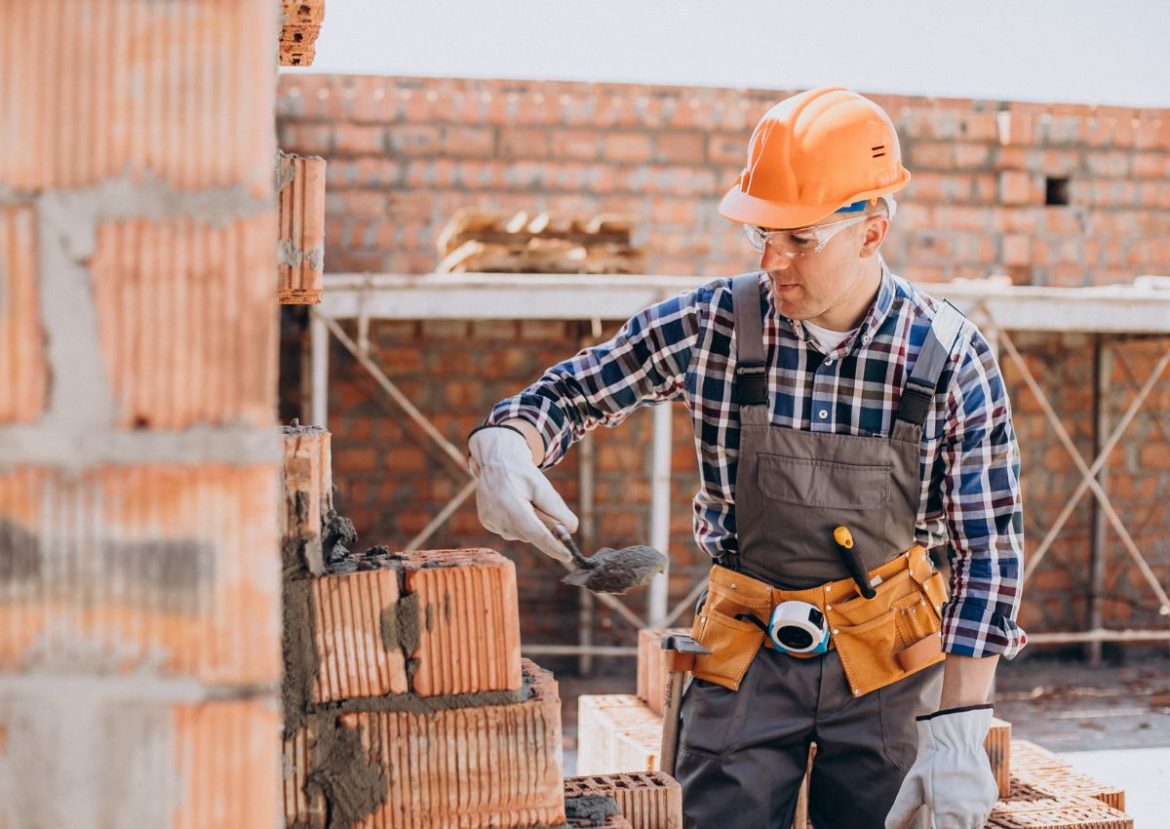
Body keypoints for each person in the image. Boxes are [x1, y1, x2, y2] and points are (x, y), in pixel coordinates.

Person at [468, 86, 1025, 829]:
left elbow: (988, 551)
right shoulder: (718, 324)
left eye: (800, 238)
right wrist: (507, 440)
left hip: (888, 658)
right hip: (746, 650)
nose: (773, 260)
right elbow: (575, 390)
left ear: (871, 231)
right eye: (762, 233)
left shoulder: (949, 357)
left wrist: (959, 725)